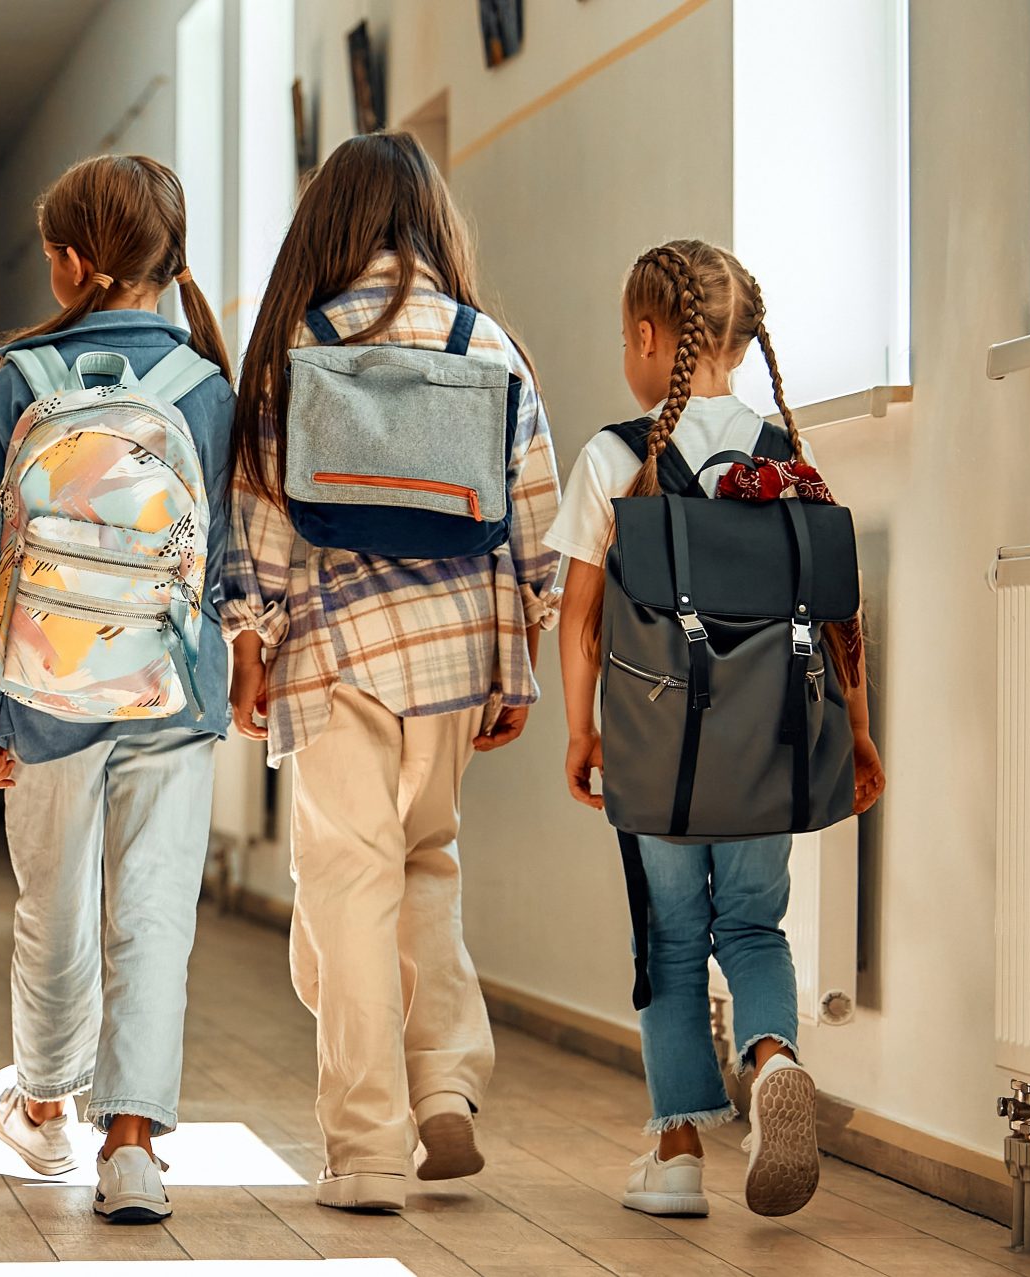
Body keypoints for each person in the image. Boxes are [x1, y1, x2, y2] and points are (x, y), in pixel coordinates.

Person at [222, 131, 561, 1213]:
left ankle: (367, 1145)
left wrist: (248, 643)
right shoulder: (484, 342)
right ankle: (448, 1081)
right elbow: (535, 517)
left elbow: (260, 516)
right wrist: (523, 662)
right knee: (427, 860)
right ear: (431, 222)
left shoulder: (295, 345)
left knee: (346, 883)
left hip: (335, 647)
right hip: (459, 645)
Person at [547, 238, 884, 1219]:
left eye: (624, 336)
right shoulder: (789, 458)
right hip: (771, 742)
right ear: (741, 343)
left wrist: (582, 731)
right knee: (749, 923)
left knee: (670, 931)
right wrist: (856, 735)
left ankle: (679, 1148)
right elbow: (838, 620)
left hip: (660, 751)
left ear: (650, 338)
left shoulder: (615, 455)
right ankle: (774, 1056)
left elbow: (578, 620)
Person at [0, 154, 236, 1225]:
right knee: (154, 915)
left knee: (53, 906)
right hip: (175, 687)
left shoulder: (17, 381)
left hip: (45, 689)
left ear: (68, 262)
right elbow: (231, 557)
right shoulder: (208, 387)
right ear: (169, 259)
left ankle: (44, 1099)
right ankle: (132, 1144)